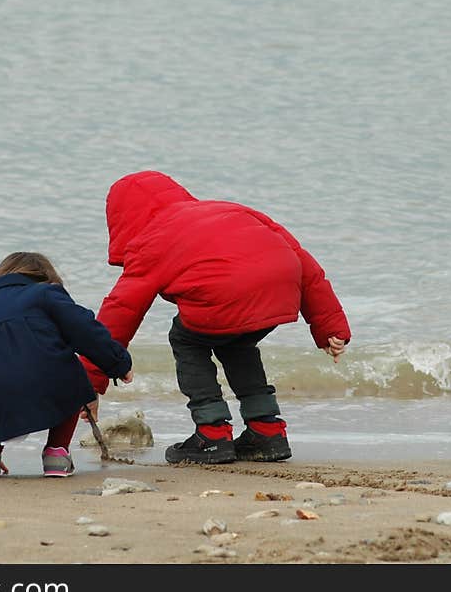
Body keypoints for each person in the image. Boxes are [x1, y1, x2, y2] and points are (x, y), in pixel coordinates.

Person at [80, 170, 350, 465]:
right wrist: (329, 327)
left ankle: (212, 434)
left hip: (226, 295)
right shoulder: (233, 210)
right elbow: (306, 265)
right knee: (236, 342)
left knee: (186, 338)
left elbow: (121, 312)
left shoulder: (152, 239)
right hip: (279, 289)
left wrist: (90, 381)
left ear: (123, 218)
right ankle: (267, 430)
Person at [0, 252, 133, 480]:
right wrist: (118, 364)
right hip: (44, 380)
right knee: (69, 371)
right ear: (44, 276)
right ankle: (56, 453)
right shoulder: (46, 293)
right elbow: (85, 331)